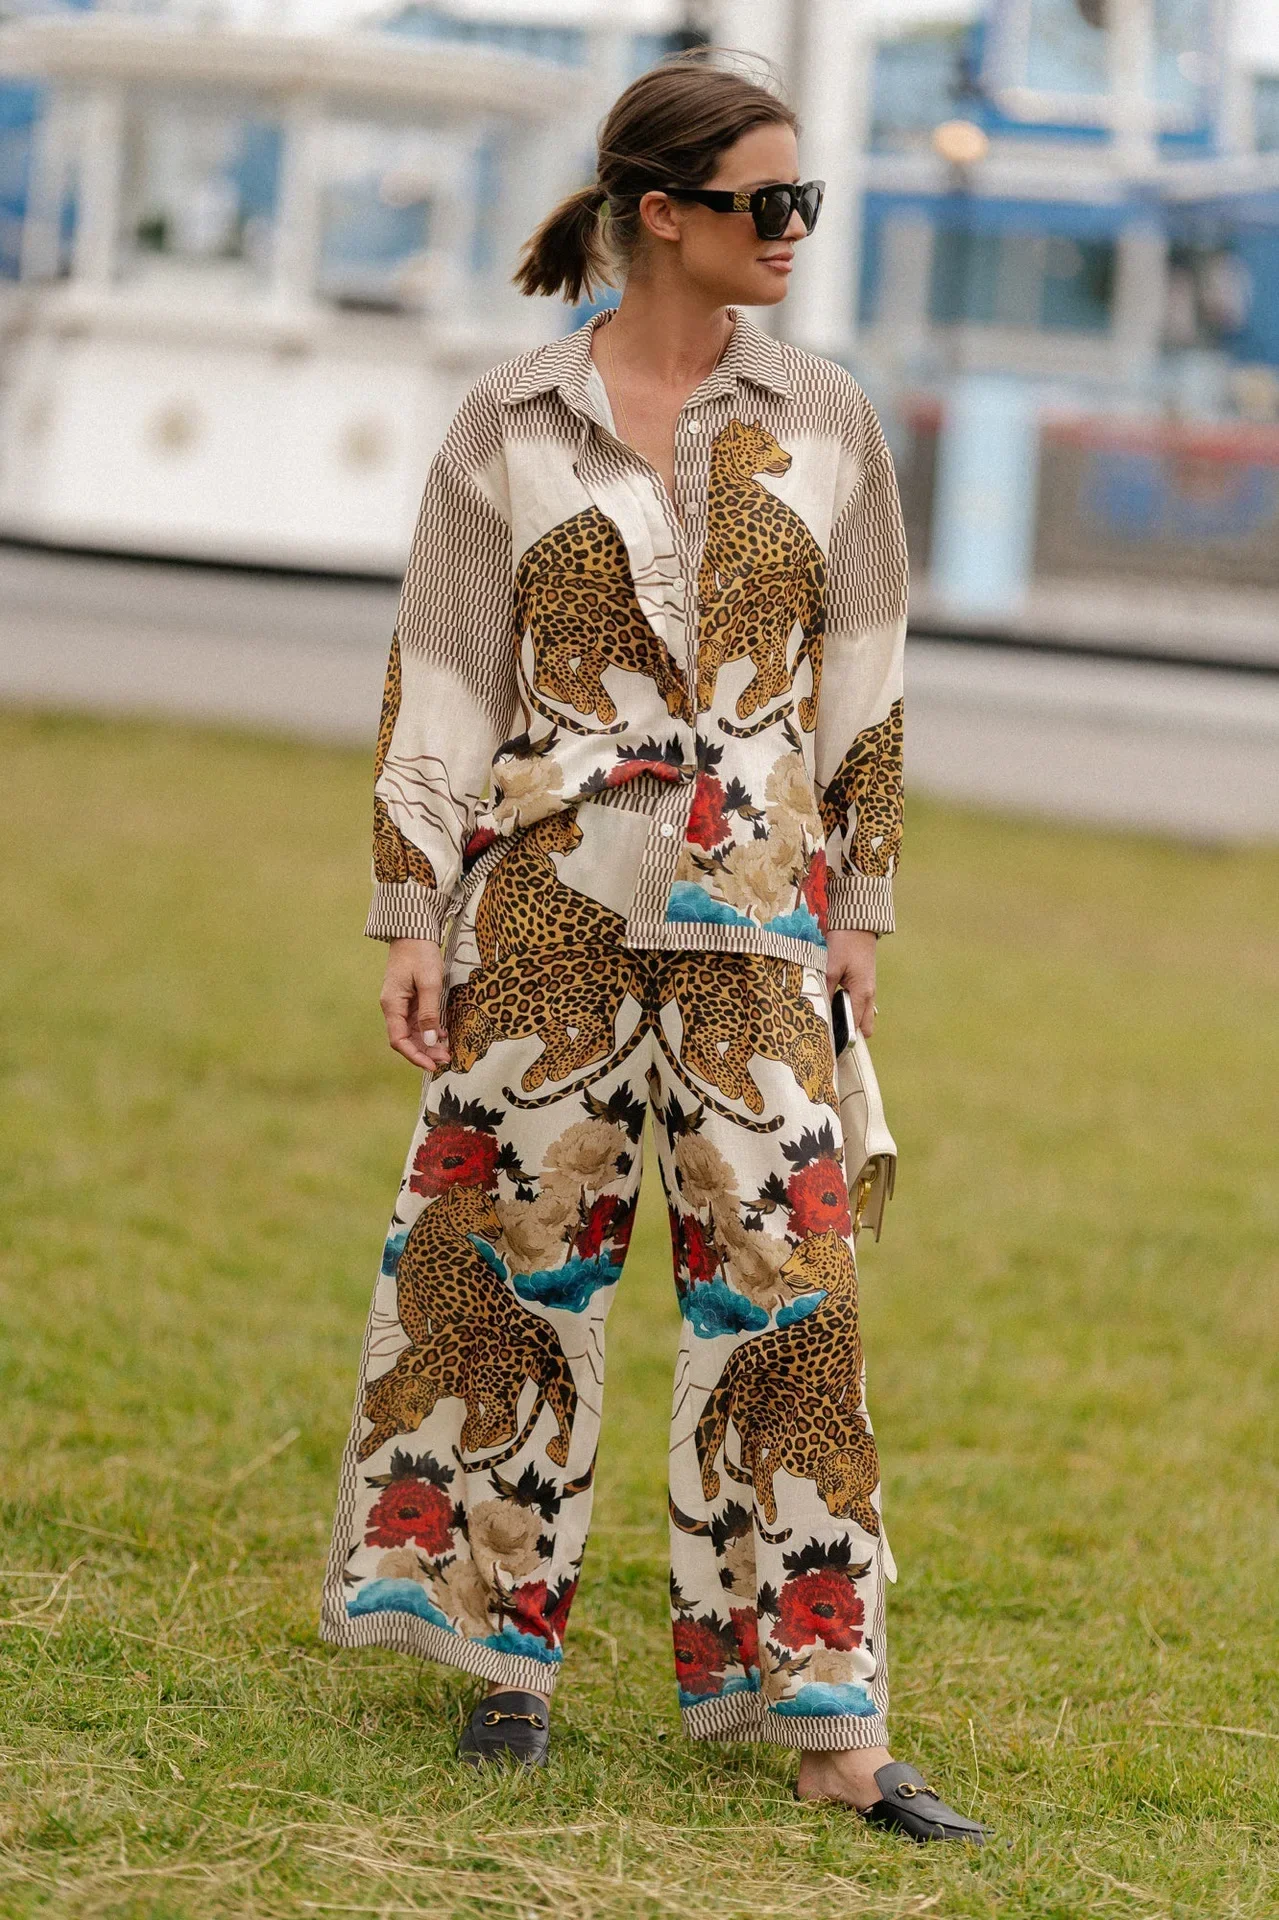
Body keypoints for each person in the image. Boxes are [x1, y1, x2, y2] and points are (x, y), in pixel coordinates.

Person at [320, 52, 987, 1845]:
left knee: (791, 1298)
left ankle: (832, 1723)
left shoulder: (827, 419)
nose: (792, 232)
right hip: (541, 906)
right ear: (663, 215)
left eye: (805, 203)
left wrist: (861, 908)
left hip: (759, 920)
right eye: (766, 204)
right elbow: (442, 670)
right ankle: (501, 1664)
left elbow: (870, 688)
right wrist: (409, 906)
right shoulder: (508, 421)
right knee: (511, 1273)